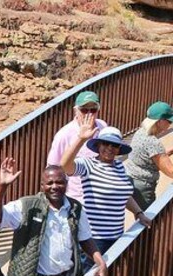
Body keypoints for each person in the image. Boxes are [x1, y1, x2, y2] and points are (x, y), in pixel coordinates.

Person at [0, 158, 107, 276]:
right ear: (42, 186)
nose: (54, 187)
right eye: (49, 183)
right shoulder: (28, 206)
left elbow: (85, 239)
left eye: (59, 182)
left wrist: (100, 261)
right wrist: (2, 186)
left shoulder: (75, 208)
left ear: (66, 183)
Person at [61, 116, 152, 255]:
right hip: (93, 240)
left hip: (117, 237)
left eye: (114, 145)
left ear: (119, 148)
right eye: (105, 143)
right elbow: (65, 165)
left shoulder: (120, 166)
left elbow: (122, 195)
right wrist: (81, 139)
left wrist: (139, 213)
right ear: (98, 145)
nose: (109, 148)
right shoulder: (88, 165)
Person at [47, 90, 107, 202]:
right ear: (76, 110)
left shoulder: (102, 126)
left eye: (93, 110)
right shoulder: (64, 134)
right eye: (84, 110)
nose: (89, 114)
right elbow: (52, 167)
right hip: (76, 197)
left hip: (100, 193)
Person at [125, 101, 173, 210]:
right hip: (144, 188)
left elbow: (155, 156)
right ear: (160, 121)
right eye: (169, 121)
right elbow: (170, 171)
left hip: (132, 180)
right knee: (150, 222)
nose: (170, 124)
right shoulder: (153, 142)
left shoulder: (141, 132)